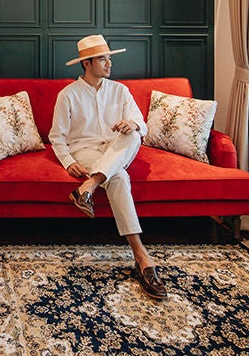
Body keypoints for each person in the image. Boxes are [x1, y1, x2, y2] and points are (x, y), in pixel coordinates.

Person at [48, 34, 167, 299]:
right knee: (120, 178)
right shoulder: (68, 95)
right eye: (102, 58)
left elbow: (141, 123)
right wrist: (69, 162)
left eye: (109, 58)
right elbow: (56, 136)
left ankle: (88, 187)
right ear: (86, 63)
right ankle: (142, 256)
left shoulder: (120, 90)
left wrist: (132, 124)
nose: (109, 63)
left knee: (134, 134)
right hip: (86, 150)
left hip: (117, 147)